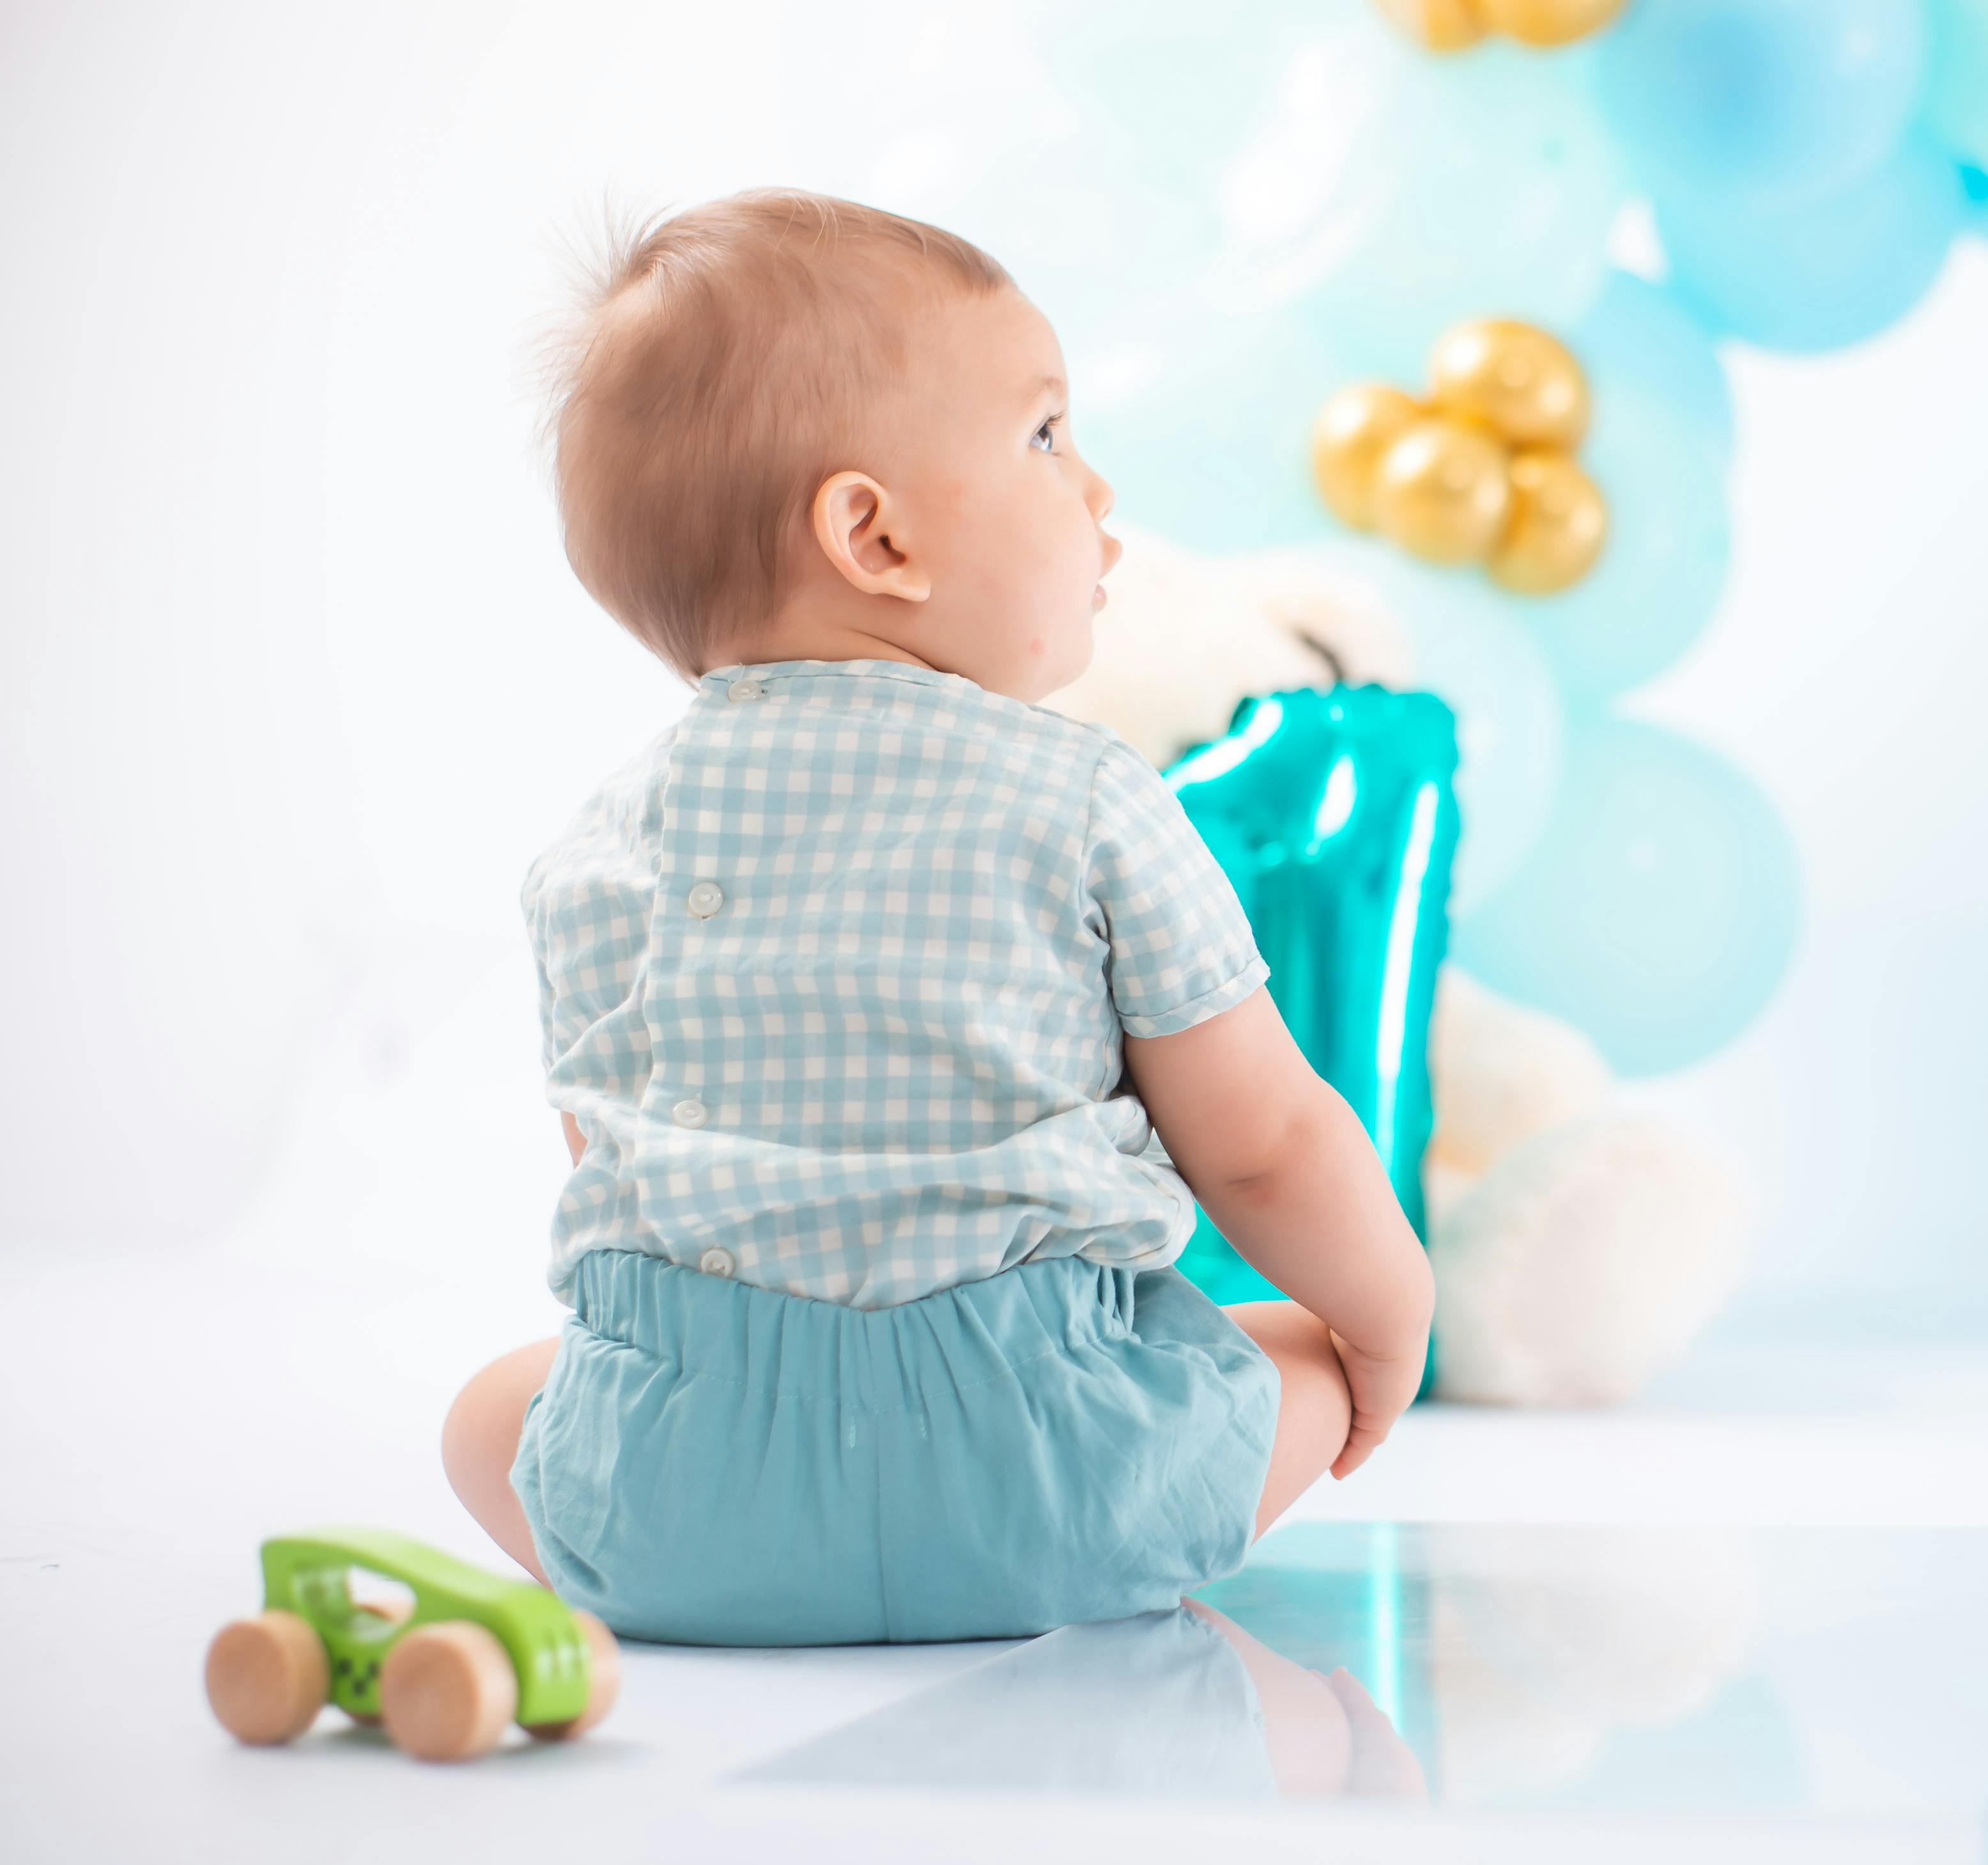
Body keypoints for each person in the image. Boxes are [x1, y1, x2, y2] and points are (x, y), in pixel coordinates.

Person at [436, 190, 1433, 1646]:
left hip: (688, 1502)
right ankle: (1078, 1515)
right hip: (1055, 1479)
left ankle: (724, 1570)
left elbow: (620, 1188)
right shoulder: (1093, 798)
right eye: (1044, 436)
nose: (1095, 493)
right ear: (872, 535)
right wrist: (1387, 1314)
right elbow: (1269, 1145)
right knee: (1303, 1360)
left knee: (488, 1416)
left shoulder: (592, 856)